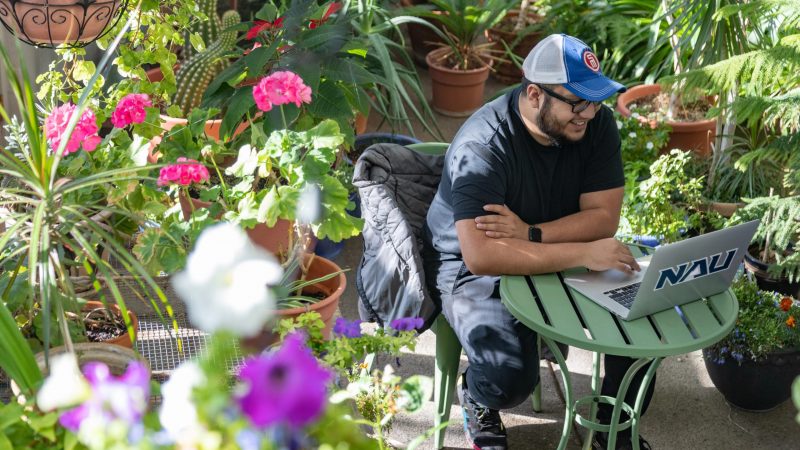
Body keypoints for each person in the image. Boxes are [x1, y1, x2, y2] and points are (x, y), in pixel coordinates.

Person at [422, 34, 655, 450]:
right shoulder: (483, 147)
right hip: (471, 268)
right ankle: (477, 392)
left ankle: (613, 426)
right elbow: (483, 255)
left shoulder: (594, 123)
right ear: (534, 94)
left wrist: (532, 232)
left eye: (595, 100)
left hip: (540, 242)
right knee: (509, 377)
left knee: (643, 318)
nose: (590, 113)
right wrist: (583, 251)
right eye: (577, 102)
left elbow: (603, 218)